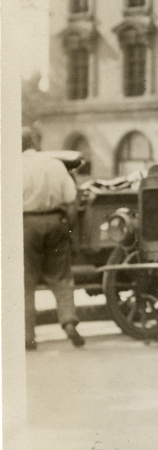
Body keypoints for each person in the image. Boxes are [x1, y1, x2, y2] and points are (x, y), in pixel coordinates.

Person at [22, 127, 85, 350]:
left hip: (26, 224)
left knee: (25, 283)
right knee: (61, 277)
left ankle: (28, 335)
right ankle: (68, 323)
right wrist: (68, 230)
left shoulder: (11, 167)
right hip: (55, 222)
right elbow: (71, 202)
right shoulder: (54, 164)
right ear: (34, 143)